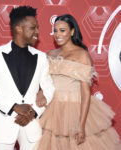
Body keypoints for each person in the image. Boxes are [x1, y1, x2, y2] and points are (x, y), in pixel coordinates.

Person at [35, 14, 121, 150]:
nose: (57, 34)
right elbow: (44, 81)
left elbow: (85, 93)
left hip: (74, 111)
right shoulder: (49, 54)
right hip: (50, 111)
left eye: (62, 30)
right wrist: (40, 92)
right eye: (55, 30)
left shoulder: (82, 55)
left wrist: (81, 126)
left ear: (72, 31)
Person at [0, 6, 55, 150]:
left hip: (32, 126)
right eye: (33, 28)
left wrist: (33, 112)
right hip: (3, 126)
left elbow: (49, 88)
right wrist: (14, 107)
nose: (37, 32)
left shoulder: (41, 57)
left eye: (37, 27)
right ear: (18, 29)